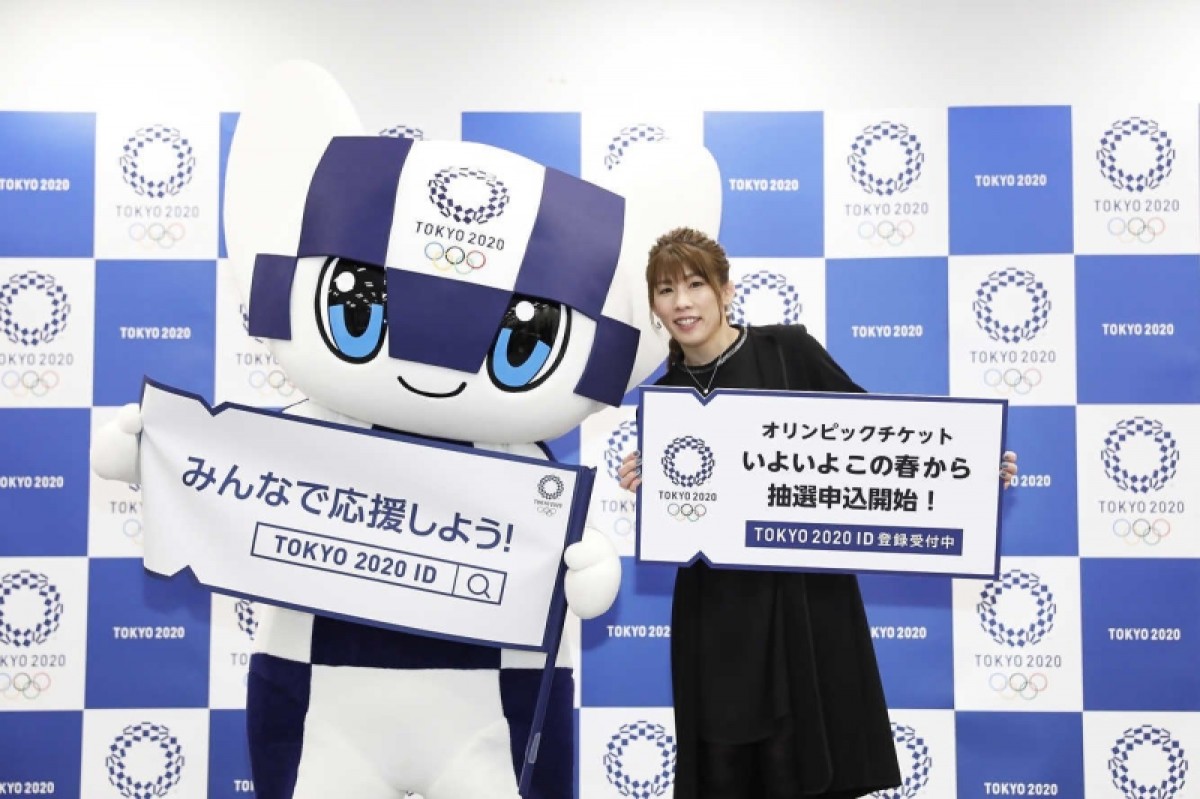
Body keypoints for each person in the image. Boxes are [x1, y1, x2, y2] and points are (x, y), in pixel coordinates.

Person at [617, 227, 1018, 799]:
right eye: (666, 290)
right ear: (655, 307)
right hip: (718, 613)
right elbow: (686, 516)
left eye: (696, 284)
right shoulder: (665, 399)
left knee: (804, 761)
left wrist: (970, 468)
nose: (682, 302)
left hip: (804, 603)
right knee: (723, 766)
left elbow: (874, 437)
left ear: (726, 291)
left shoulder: (786, 350)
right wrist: (650, 489)